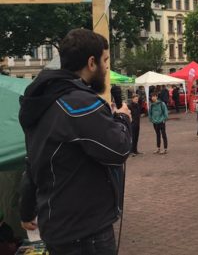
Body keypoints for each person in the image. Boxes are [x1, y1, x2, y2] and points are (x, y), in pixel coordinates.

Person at [18, 28, 131, 254]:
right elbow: (119, 149)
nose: (107, 67)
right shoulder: (77, 103)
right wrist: (122, 118)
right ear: (91, 63)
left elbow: (33, 161)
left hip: (57, 227)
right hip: (85, 231)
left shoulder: (43, 99)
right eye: (105, 60)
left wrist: (26, 209)